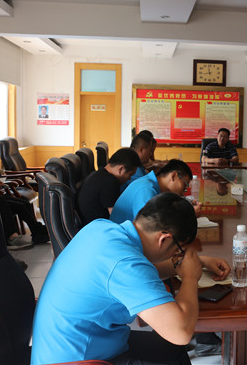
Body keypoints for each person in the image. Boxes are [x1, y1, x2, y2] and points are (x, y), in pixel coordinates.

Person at [31, 192, 231, 364]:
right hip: (80, 360)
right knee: (175, 346)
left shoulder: (102, 228)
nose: (176, 255)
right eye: (179, 250)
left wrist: (198, 262)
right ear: (164, 238)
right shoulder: (125, 263)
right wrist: (190, 278)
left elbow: (140, 274)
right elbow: (181, 333)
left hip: (67, 346)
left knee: (172, 351)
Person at [111, 159, 201, 223]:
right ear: (173, 176)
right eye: (184, 186)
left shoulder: (156, 188)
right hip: (123, 240)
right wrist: (189, 215)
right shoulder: (146, 188)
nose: (183, 193)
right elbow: (151, 225)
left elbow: (164, 214)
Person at [76, 148, 141, 226]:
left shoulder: (99, 174)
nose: (129, 179)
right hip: (96, 228)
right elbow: (117, 218)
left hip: (88, 225)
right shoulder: (110, 182)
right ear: (121, 169)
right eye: (130, 175)